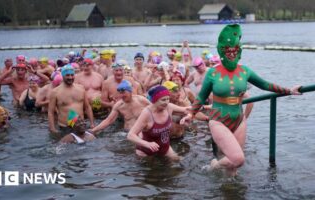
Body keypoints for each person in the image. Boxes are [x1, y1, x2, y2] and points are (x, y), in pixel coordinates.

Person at [180, 24, 301, 176]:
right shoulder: (212, 73)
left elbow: (265, 84)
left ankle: (229, 190)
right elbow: (201, 97)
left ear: (239, 50)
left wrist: (289, 90)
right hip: (218, 120)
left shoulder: (245, 71)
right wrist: (191, 114)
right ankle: (214, 166)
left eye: (235, 50)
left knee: (233, 169)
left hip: (239, 120)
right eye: (228, 50)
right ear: (222, 50)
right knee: (238, 159)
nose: (231, 54)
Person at [127, 85, 189, 161]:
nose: (166, 102)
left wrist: (204, 107)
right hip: (146, 152)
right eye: (163, 100)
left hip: (165, 148)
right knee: (154, 171)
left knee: (178, 165)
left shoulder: (169, 107)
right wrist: (147, 144)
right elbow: (130, 135)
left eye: (168, 99)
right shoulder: (147, 113)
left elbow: (187, 110)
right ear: (155, 100)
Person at [48, 64, 95, 138]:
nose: (70, 77)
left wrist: (92, 123)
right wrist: (52, 128)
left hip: (81, 126)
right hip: (66, 127)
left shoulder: (81, 88)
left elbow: (87, 107)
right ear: (63, 76)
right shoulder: (55, 92)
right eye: (67, 75)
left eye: (72, 75)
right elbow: (50, 112)